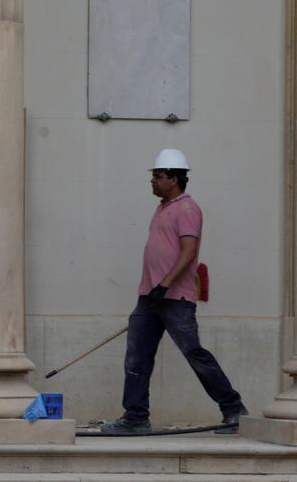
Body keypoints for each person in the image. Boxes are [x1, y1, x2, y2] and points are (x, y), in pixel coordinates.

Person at [101, 148, 246, 435]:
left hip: (174, 298)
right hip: (149, 297)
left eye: (158, 176)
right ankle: (135, 417)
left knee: (194, 353)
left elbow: (189, 250)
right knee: (137, 356)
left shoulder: (187, 209)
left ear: (175, 179)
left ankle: (233, 409)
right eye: (153, 176)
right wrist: (153, 289)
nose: (152, 181)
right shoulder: (163, 208)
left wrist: (164, 284)